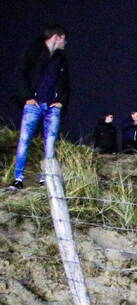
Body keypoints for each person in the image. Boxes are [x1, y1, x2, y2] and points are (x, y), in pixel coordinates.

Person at [8, 24, 69, 191]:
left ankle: (46, 179)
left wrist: (61, 102)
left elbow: (66, 83)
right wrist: (27, 97)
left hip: (52, 108)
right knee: (24, 141)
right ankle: (18, 179)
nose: (66, 43)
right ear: (57, 36)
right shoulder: (33, 52)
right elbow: (20, 73)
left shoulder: (61, 59)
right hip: (33, 105)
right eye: (64, 39)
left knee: (50, 143)